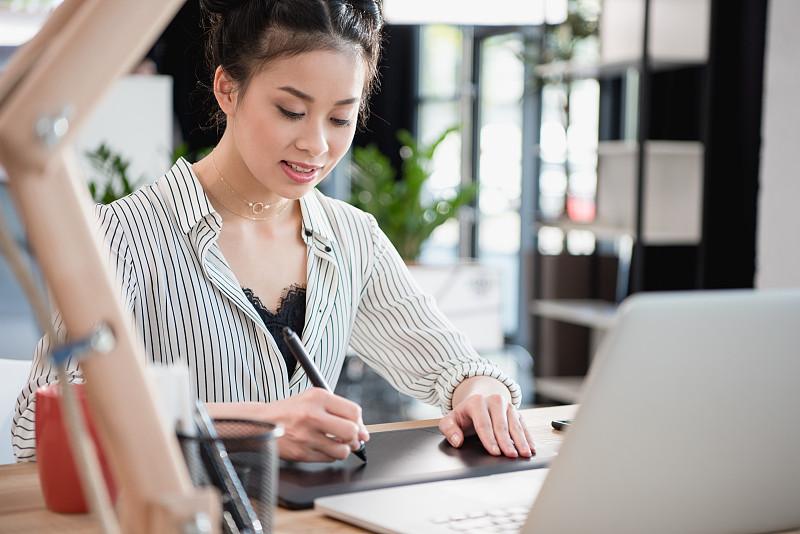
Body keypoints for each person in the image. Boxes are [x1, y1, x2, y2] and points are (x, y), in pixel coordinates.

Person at [13, 0, 534, 463]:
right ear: (227, 89)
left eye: (339, 119)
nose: (316, 144)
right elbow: (39, 428)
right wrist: (254, 427)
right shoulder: (127, 234)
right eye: (291, 111)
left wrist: (479, 392)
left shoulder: (353, 238)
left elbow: (453, 365)